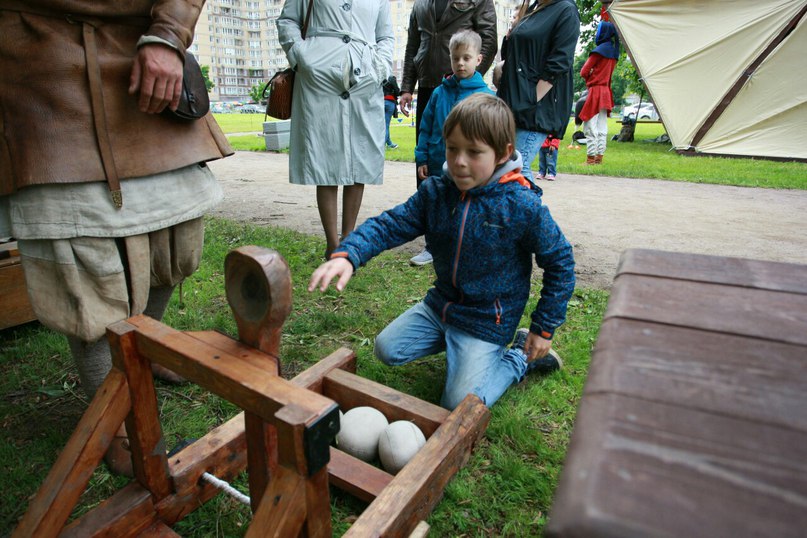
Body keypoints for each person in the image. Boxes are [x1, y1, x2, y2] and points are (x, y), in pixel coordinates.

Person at [0, 1, 233, 475]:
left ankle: (141, 356)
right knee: (83, 266)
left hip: (144, 68)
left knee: (174, 241)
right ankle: (117, 425)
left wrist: (168, 34)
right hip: (41, 73)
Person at [309, 94, 575, 410]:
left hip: (488, 320)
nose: (459, 161)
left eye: (474, 152)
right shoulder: (436, 192)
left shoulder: (521, 206)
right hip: (442, 306)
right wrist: (349, 253)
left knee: (457, 404)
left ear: (503, 153)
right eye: (453, 149)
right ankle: (459, 349)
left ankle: (518, 356)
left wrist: (543, 328)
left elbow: (560, 262)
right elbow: (392, 224)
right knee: (387, 349)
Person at [277, 0, 394, 259]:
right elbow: (287, 21)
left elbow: (385, 35)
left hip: (365, 77)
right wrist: (301, 56)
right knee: (325, 155)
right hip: (319, 77)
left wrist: (381, 66)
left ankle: (349, 240)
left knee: (360, 155)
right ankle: (332, 243)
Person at [399, 0, 497, 265]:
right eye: (459, 58)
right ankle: (433, 244)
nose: (462, 62)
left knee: (468, 187)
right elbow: (412, 45)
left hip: (466, 90)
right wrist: (407, 85)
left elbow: (488, 39)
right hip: (432, 84)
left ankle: (469, 241)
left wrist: (469, 82)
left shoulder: (479, 1)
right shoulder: (421, 4)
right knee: (432, 185)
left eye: (467, 58)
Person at [495, 0, 580, 184]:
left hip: (536, 110)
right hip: (514, 104)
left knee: (517, 169)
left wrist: (531, 99)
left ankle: (531, 213)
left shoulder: (566, 10)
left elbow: (559, 63)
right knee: (507, 170)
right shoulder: (534, 8)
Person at [580, 19, 620, 165]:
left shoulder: (599, 52)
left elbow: (583, 71)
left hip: (596, 90)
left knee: (590, 125)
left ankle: (590, 158)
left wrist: (591, 78)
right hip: (606, 91)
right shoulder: (614, 52)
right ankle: (599, 158)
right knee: (602, 127)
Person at [383, 76, 401, 149]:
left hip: (381, 101)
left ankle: (389, 143)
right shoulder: (391, 78)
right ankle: (382, 145)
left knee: (383, 125)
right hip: (390, 102)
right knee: (386, 125)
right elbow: (397, 92)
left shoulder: (381, 78)